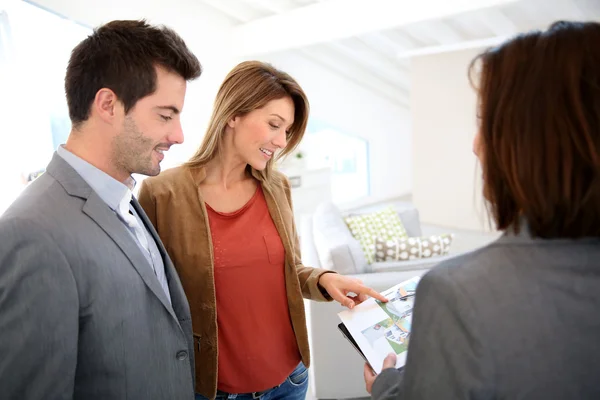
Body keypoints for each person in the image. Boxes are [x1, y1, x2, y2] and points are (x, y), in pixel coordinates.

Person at [364, 20, 600, 399]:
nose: (475, 145)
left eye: (484, 123)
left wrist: (388, 387)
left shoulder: (456, 294)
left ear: (529, 139)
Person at [137, 60, 387, 400]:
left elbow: (289, 269)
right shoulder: (162, 193)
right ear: (233, 114)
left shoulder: (277, 186)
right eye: (274, 124)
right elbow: (152, 301)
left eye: (287, 130)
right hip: (212, 389)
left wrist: (324, 280)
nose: (282, 140)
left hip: (289, 381)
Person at [0, 20, 202, 399]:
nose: (178, 135)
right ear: (108, 104)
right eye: (165, 115)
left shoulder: (125, 197)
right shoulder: (31, 232)